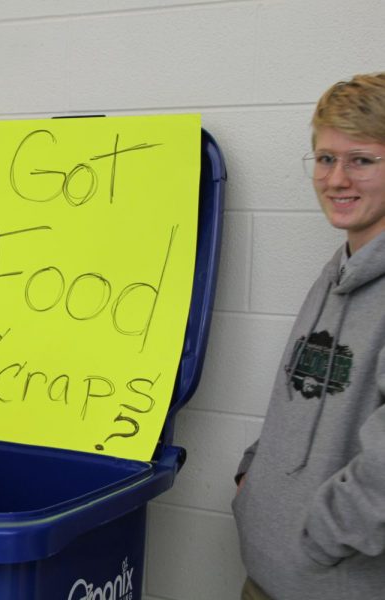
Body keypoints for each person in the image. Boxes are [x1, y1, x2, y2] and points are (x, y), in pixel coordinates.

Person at [233, 72, 385, 599]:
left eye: (361, 160)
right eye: (325, 159)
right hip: (272, 576)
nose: (336, 178)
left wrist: (317, 540)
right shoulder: (340, 268)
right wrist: (253, 475)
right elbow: (304, 390)